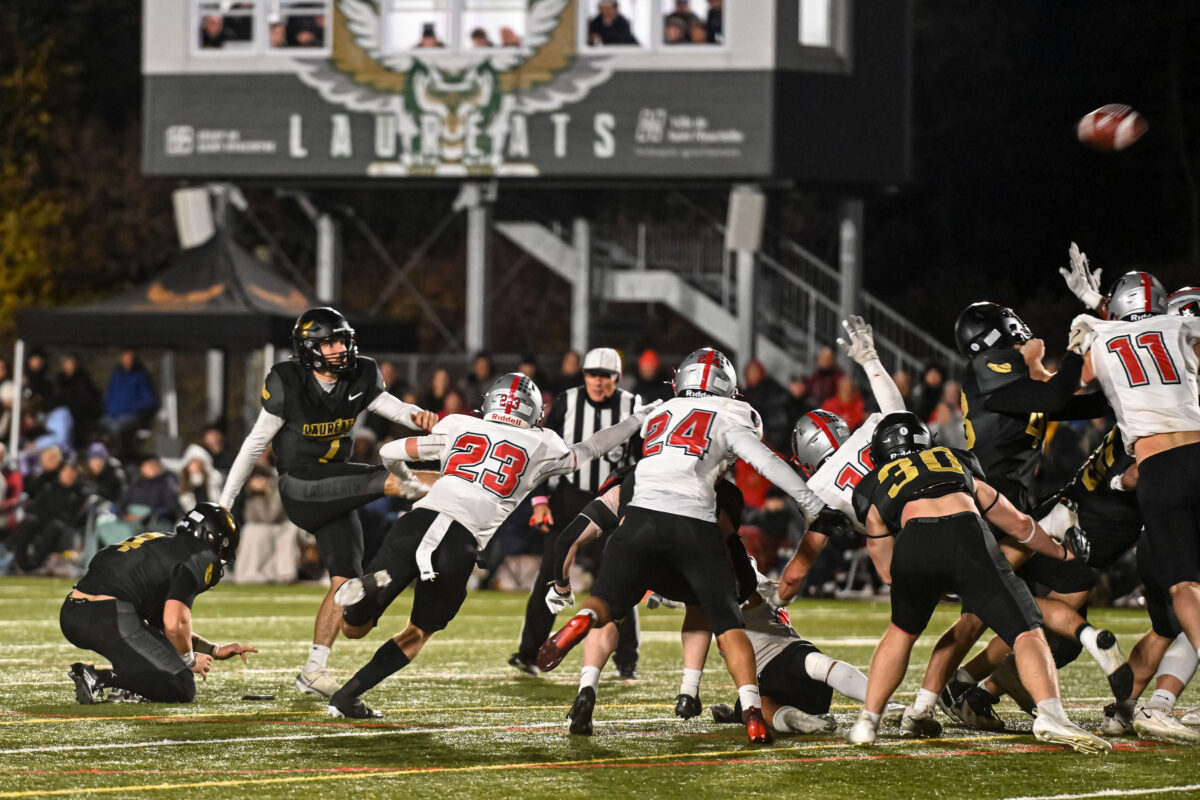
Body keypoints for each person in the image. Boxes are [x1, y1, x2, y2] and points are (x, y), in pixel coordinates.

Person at [537, 348, 833, 744]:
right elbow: (765, 462)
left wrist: (560, 584)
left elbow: (580, 510)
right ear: (727, 387)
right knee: (726, 622)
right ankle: (749, 713)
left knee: (607, 606)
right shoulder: (733, 416)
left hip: (639, 519)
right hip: (693, 524)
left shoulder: (658, 413)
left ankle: (582, 629)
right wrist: (813, 504)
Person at [327, 373, 659, 719]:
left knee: (354, 628)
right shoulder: (541, 443)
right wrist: (637, 419)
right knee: (417, 632)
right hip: (460, 543)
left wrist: (413, 483)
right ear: (533, 412)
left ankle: (369, 589)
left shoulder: (458, 424)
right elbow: (592, 447)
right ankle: (347, 696)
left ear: (489, 403)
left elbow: (389, 451)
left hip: (415, 524)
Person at [843, 413, 1108, 754]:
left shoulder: (871, 484)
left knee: (901, 631)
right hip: (967, 536)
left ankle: (868, 722)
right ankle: (1050, 714)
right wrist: (1059, 553)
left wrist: (927, 581)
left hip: (913, 546)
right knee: (1027, 630)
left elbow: (887, 573)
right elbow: (1017, 524)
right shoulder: (956, 458)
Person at [218, 307, 436, 700]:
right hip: (301, 485)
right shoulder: (288, 380)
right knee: (396, 479)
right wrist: (225, 502)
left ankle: (313, 670)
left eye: (342, 340)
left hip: (337, 487)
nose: (340, 349)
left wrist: (421, 417)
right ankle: (467, 496)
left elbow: (393, 408)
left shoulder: (361, 374)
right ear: (310, 348)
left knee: (345, 584)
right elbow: (254, 445)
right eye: (330, 342)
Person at [1070, 271, 1200, 718]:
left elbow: (1072, 391)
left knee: (1184, 588)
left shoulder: (1102, 336)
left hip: (1158, 470)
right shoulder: (1179, 325)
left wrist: (1091, 315)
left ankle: (1145, 705)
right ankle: (1136, 707)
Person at [510, 347, 643, 677]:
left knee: (618, 580)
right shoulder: (567, 401)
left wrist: (635, 505)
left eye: (605, 376)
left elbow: (643, 460)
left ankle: (627, 660)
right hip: (569, 500)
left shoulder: (633, 406)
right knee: (551, 575)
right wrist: (540, 501)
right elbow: (542, 452)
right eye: (591, 374)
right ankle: (529, 654)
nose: (597, 382)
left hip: (612, 502)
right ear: (583, 375)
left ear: (617, 378)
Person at [62, 503, 257, 704]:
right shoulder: (202, 555)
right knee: (182, 685)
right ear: (214, 538)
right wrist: (189, 661)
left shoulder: (161, 544)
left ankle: (130, 686)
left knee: (151, 646)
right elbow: (174, 623)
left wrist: (214, 650)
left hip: (72, 613)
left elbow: (163, 627)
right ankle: (99, 677)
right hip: (111, 616)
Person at [709, 572, 874, 736]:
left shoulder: (750, 586)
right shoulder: (763, 585)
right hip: (810, 691)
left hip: (782, 663)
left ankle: (796, 720)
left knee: (751, 701)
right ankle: (804, 720)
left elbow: (746, 595)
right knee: (812, 662)